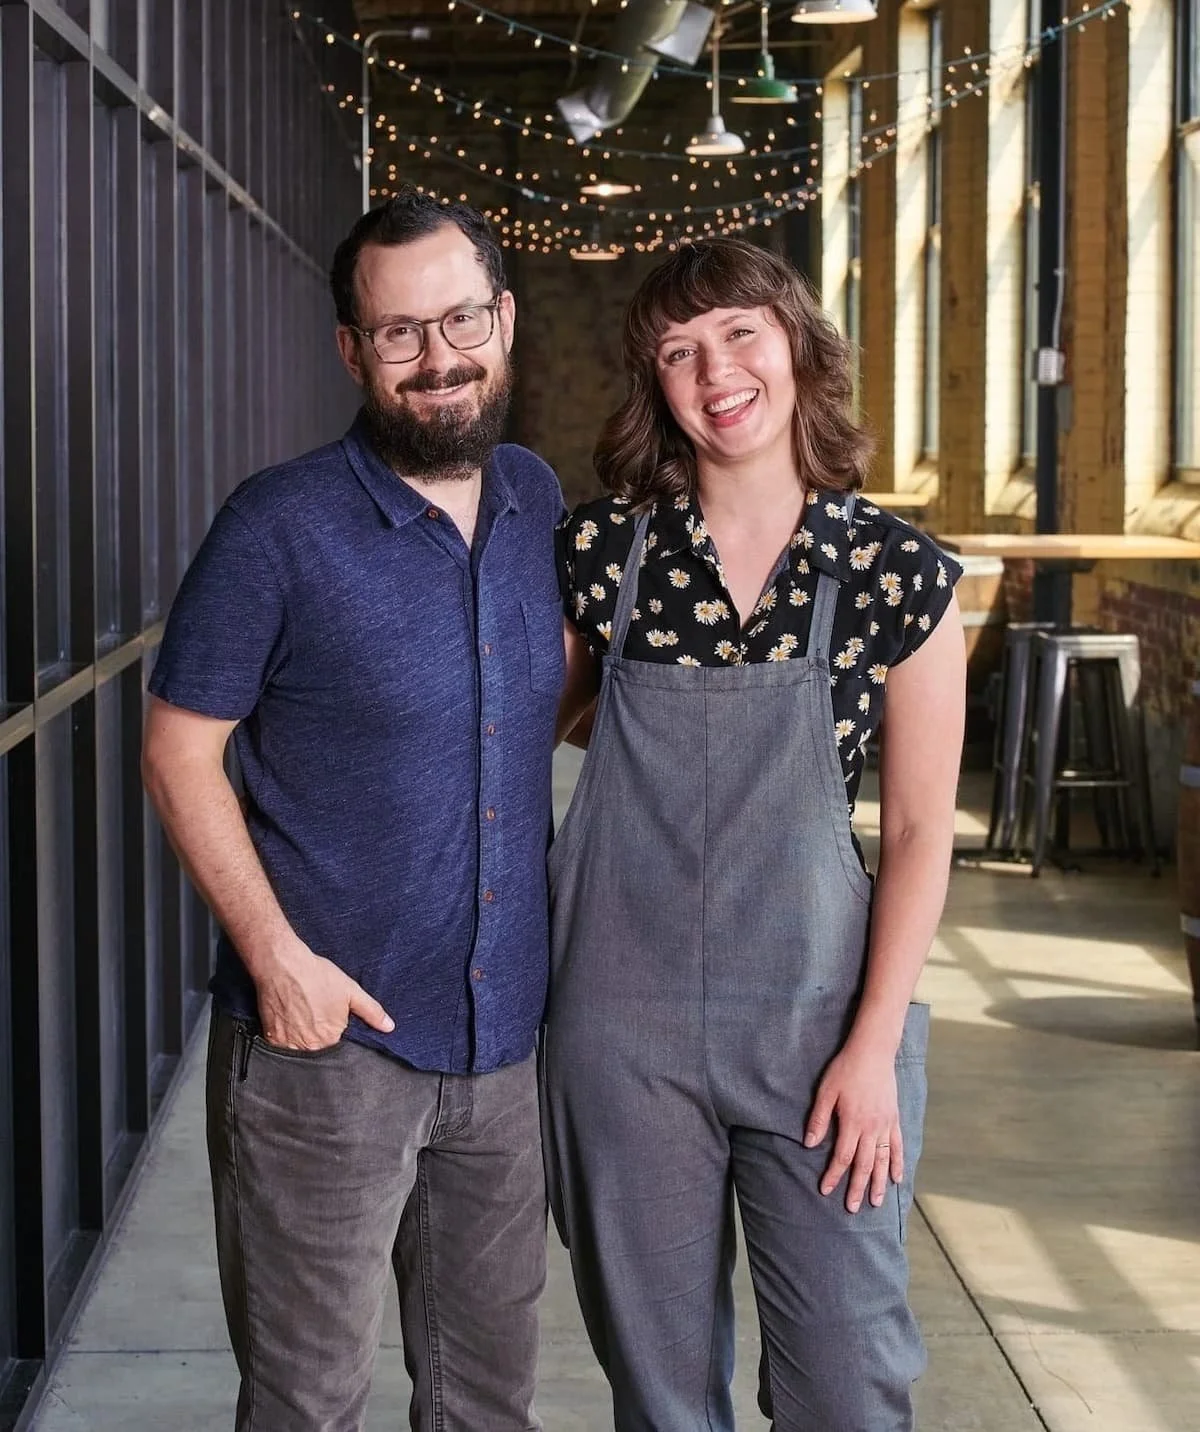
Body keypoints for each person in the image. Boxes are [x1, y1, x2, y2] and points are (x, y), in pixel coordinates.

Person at [141, 188, 564, 1432]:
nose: (438, 360)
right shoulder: (277, 525)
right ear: (353, 349)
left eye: (459, 321)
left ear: (504, 318)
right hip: (326, 1050)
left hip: (501, 1050)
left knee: (488, 1401)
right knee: (308, 1403)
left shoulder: (538, 499)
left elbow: (557, 703)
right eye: (399, 334)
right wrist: (279, 962)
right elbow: (177, 754)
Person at [544, 236, 966, 1432]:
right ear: (654, 386)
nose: (714, 369)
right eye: (678, 350)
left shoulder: (897, 574)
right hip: (618, 1027)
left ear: (795, 345)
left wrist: (874, 1046)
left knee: (849, 1380)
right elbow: (535, 736)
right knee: (661, 1391)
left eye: (738, 332)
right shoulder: (599, 557)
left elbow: (927, 828)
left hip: (821, 1027)